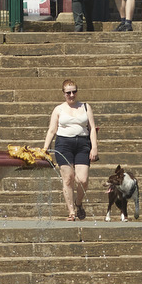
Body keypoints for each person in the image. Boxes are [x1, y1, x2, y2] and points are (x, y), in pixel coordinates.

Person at [39, 80, 99, 220]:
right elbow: (52, 130)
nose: (72, 95)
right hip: (64, 144)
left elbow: (92, 129)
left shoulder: (85, 107)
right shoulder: (58, 109)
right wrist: (45, 148)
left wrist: (94, 147)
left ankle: (78, 203)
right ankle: (71, 212)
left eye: (74, 92)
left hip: (83, 144)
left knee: (82, 179)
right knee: (68, 178)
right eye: (68, 93)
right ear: (64, 93)